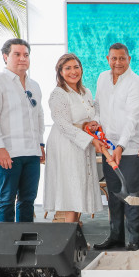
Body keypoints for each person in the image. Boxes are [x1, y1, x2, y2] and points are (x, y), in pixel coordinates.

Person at [93, 43, 139, 251]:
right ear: (108, 59)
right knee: (114, 194)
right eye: (114, 58)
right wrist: (96, 124)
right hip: (108, 148)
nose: (118, 62)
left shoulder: (136, 84)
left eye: (122, 58)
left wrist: (121, 146)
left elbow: (133, 119)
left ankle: (134, 239)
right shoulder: (102, 78)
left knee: (131, 194)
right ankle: (116, 236)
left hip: (130, 149)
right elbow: (98, 106)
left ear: (129, 59)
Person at [0, 38, 45, 223]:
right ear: (5, 57)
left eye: (26, 55)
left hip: (31, 152)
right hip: (7, 152)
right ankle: (6, 242)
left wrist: (40, 144)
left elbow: (39, 116)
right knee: (6, 200)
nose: (22, 58)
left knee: (28, 201)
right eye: (17, 54)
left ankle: (25, 239)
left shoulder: (34, 85)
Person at [43, 53, 104, 223]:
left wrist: (94, 122)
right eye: (68, 68)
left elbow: (95, 111)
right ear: (60, 72)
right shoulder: (58, 94)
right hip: (66, 144)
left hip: (83, 143)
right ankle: (70, 234)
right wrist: (91, 140)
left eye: (76, 67)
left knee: (80, 187)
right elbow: (63, 124)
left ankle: (75, 231)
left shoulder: (86, 92)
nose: (73, 71)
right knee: (71, 190)